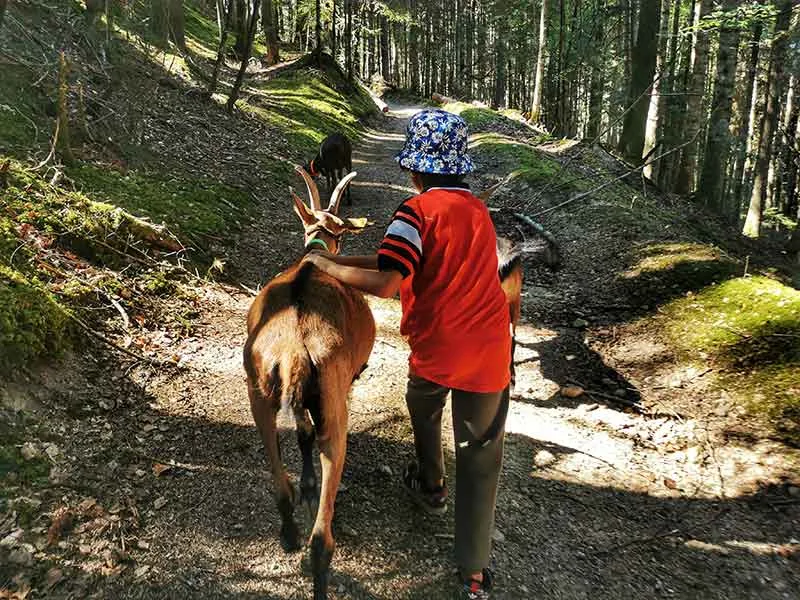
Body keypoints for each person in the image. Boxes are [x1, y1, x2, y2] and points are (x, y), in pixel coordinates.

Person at [302, 109, 510, 600]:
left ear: (414, 169)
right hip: (489, 347)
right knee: (481, 457)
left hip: (437, 345)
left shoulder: (415, 213)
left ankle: (432, 484)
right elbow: (390, 260)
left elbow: (387, 281)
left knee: (424, 406)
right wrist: (335, 261)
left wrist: (324, 266)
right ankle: (474, 574)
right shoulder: (478, 211)